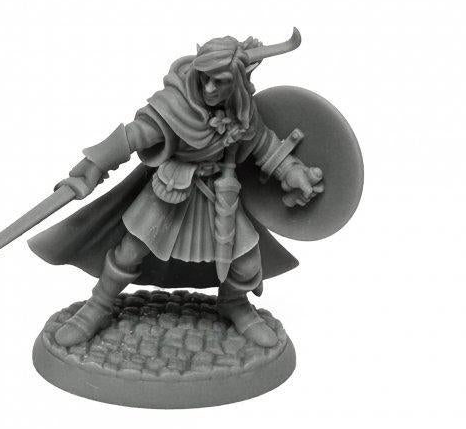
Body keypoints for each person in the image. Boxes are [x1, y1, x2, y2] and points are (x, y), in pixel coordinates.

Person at [29, 31, 323, 348]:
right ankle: (96, 308)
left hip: (218, 196)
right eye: (205, 78)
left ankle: (235, 303)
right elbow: (136, 135)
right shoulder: (176, 104)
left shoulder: (243, 113)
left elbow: (264, 145)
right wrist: (93, 166)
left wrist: (292, 172)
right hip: (170, 190)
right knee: (129, 252)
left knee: (248, 262)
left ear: (237, 83)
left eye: (220, 82)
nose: (209, 88)